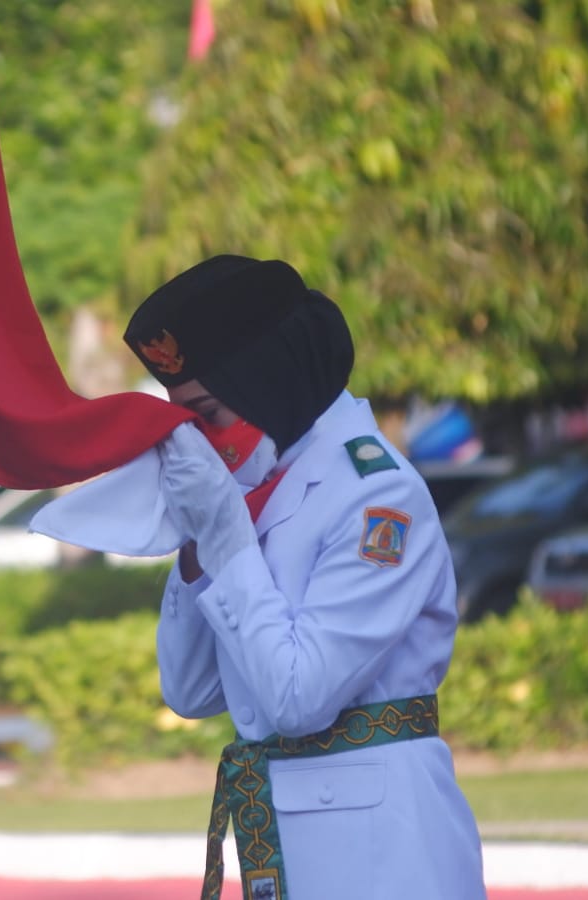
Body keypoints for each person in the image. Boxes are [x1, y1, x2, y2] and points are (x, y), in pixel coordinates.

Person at [123, 255, 486, 899]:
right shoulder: (255, 492)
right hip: (291, 851)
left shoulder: (378, 497)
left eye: (206, 414)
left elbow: (298, 697)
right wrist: (196, 545)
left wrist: (227, 539)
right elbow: (190, 689)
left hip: (383, 857)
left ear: (269, 383)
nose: (199, 442)